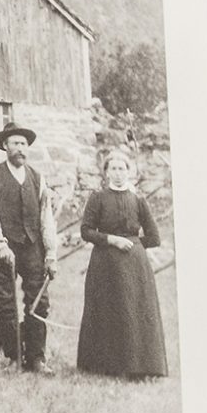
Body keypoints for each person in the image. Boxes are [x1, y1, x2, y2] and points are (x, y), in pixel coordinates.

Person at [75, 148, 169, 378]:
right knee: (107, 311)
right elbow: (86, 231)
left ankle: (140, 366)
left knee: (133, 311)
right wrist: (111, 240)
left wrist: (134, 245)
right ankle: (105, 365)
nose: (118, 173)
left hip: (134, 267)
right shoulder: (98, 198)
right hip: (105, 264)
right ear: (106, 172)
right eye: (113, 168)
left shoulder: (138, 201)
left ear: (129, 172)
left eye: (122, 168)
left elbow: (154, 237)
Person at [0, 122, 59, 372]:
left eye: (24, 144)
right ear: (5, 146)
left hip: (33, 247)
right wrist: (0, 245)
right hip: (4, 246)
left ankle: (36, 357)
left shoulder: (38, 178)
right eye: (15, 143)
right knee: (3, 301)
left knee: (38, 301)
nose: (21, 148)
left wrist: (51, 254)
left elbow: (46, 217)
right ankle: (14, 357)